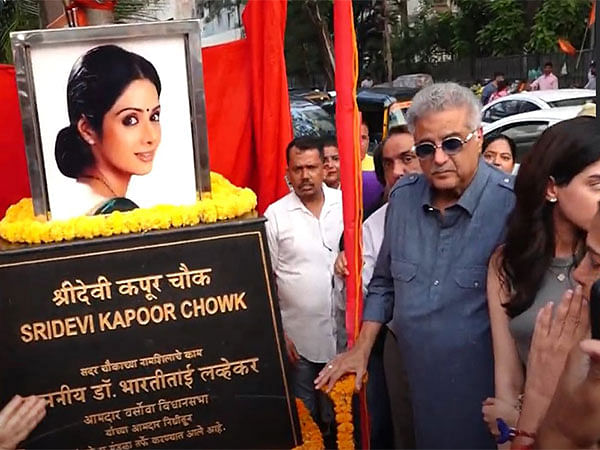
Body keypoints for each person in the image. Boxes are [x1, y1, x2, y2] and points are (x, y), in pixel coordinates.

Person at [316, 82, 515, 449]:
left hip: (480, 393)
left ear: (479, 138)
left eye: (452, 143)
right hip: (409, 384)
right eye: (425, 148)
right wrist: (361, 348)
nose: (438, 159)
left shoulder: (513, 206)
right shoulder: (403, 200)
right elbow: (384, 284)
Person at [482, 116, 600, 439]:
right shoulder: (507, 265)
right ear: (551, 188)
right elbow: (505, 381)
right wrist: (514, 428)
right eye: (596, 184)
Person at [334, 125, 421, 448]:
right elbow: (368, 291)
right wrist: (345, 271)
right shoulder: (372, 225)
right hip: (390, 350)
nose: (398, 171)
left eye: (407, 158)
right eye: (388, 163)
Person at [264, 136, 343, 439]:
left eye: (311, 167)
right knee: (305, 418)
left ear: (325, 168)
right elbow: (267, 279)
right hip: (300, 340)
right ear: (288, 172)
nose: (305, 176)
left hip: (343, 336)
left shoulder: (346, 206)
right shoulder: (276, 216)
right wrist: (280, 333)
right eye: (298, 169)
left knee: (341, 415)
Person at [55, 44, 162, 216]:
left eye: (154, 117)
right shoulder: (114, 214)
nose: (151, 137)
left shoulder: (74, 196)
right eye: (130, 120)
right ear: (87, 129)